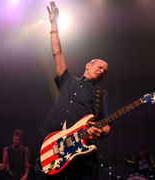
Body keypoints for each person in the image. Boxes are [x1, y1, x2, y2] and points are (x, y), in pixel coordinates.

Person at [38, 1, 111, 179]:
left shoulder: (101, 94)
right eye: (100, 67)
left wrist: (100, 132)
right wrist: (54, 23)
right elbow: (57, 52)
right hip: (55, 147)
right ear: (88, 65)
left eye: (105, 72)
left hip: (83, 152)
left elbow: (107, 124)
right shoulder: (67, 80)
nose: (102, 71)